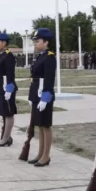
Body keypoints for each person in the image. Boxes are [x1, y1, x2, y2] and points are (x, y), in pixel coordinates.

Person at [26, 28, 56, 167]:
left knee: (45, 125)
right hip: (36, 93)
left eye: (37, 41)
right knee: (39, 125)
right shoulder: (39, 56)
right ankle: (40, 153)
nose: (35, 43)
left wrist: (45, 98)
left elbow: (49, 80)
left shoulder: (49, 57)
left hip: (44, 94)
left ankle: (46, 155)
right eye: (35, 41)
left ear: (46, 42)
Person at [0, 33, 17, 146]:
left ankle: (6, 138)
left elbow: (10, 75)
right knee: (4, 112)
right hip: (1, 87)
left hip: (7, 88)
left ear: (4, 43)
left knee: (8, 113)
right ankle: (6, 136)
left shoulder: (8, 56)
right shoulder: (2, 55)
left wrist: (9, 89)